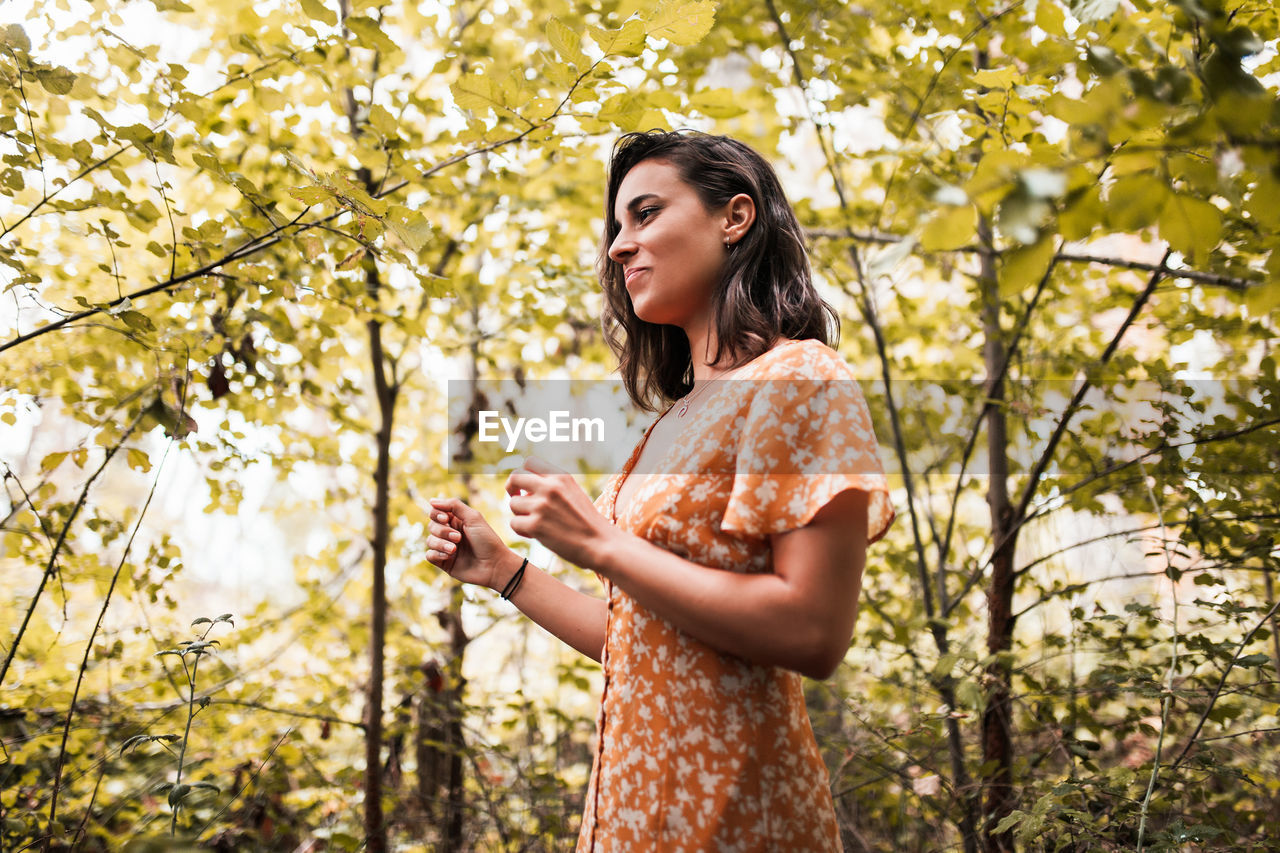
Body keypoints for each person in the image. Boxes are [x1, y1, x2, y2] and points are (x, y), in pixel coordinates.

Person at [426, 130, 894, 852]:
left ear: (734, 218)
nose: (619, 245)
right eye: (618, 225)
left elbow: (813, 631)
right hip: (630, 823)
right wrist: (507, 573)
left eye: (644, 215)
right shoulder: (671, 422)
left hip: (740, 820)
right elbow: (649, 641)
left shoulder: (800, 378)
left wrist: (601, 544)